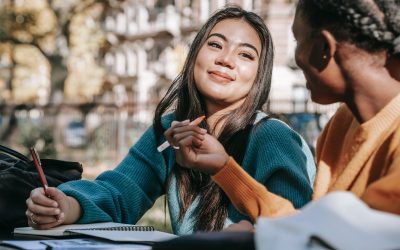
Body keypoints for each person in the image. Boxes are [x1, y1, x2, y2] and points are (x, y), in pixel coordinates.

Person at [25, 6, 316, 235]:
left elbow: (296, 227)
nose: (226, 59)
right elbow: (120, 193)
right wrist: (67, 206)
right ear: (194, 56)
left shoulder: (272, 137)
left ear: (259, 77)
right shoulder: (169, 131)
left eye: (245, 55)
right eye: (215, 45)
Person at [167, 0, 400, 227]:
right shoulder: (343, 124)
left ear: (323, 48)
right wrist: (224, 168)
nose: (295, 58)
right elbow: (311, 227)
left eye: (297, 40)